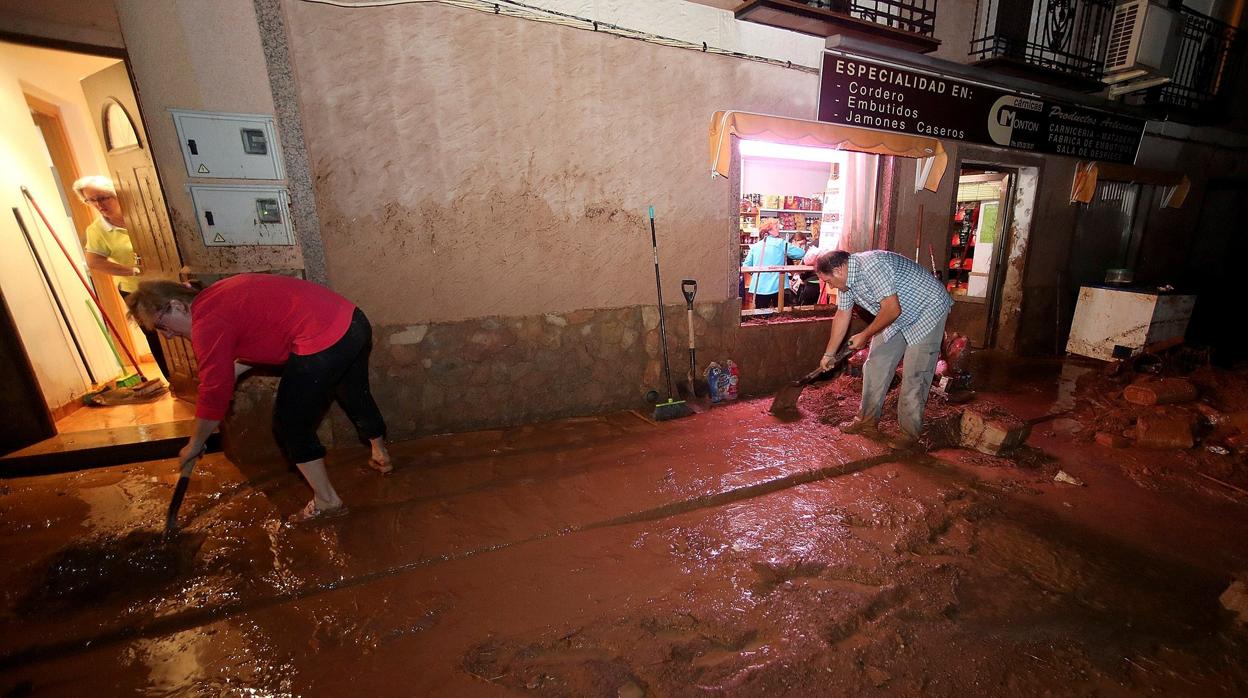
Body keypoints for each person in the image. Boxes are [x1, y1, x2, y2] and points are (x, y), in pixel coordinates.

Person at [125, 274, 394, 522]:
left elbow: (214, 393)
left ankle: (327, 501)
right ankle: (380, 452)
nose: (168, 335)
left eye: (162, 325)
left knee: (290, 423)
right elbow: (257, 340)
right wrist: (224, 376)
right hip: (352, 322)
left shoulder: (207, 322)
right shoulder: (215, 296)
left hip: (322, 337)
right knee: (352, 389)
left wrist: (195, 443)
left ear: (177, 305)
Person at [815, 249, 953, 450]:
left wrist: (865, 335)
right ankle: (867, 420)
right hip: (898, 315)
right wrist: (829, 354)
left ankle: (909, 434)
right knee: (875, 364)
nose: (829, 285)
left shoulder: (871, 266)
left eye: (828, 281)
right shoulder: (846, 284)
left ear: (838, 270)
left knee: (915, 373)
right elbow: (842, 314)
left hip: (927, 309)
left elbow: (892, 309)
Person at [73, 175, 168, 380]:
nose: (99, 204)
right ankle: (175, 381)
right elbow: (94, 261)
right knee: (154, 335)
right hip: (136, 290)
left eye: (104, 197)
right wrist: (131, 270)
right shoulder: (98, 230)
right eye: (92, 200)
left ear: (117, 194)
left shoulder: (145, 215)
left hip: (168, 284)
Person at [743, 218, 804, 309]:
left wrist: (756, 273)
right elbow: (800, 253)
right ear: (769, 230)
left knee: (761, 315)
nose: (778, 229)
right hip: (778, 285)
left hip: (759, 286)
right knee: (780, 315)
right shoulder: (781, 243)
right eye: (776, 227)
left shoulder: (755, 246)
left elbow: (746, 266)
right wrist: (798, 246)